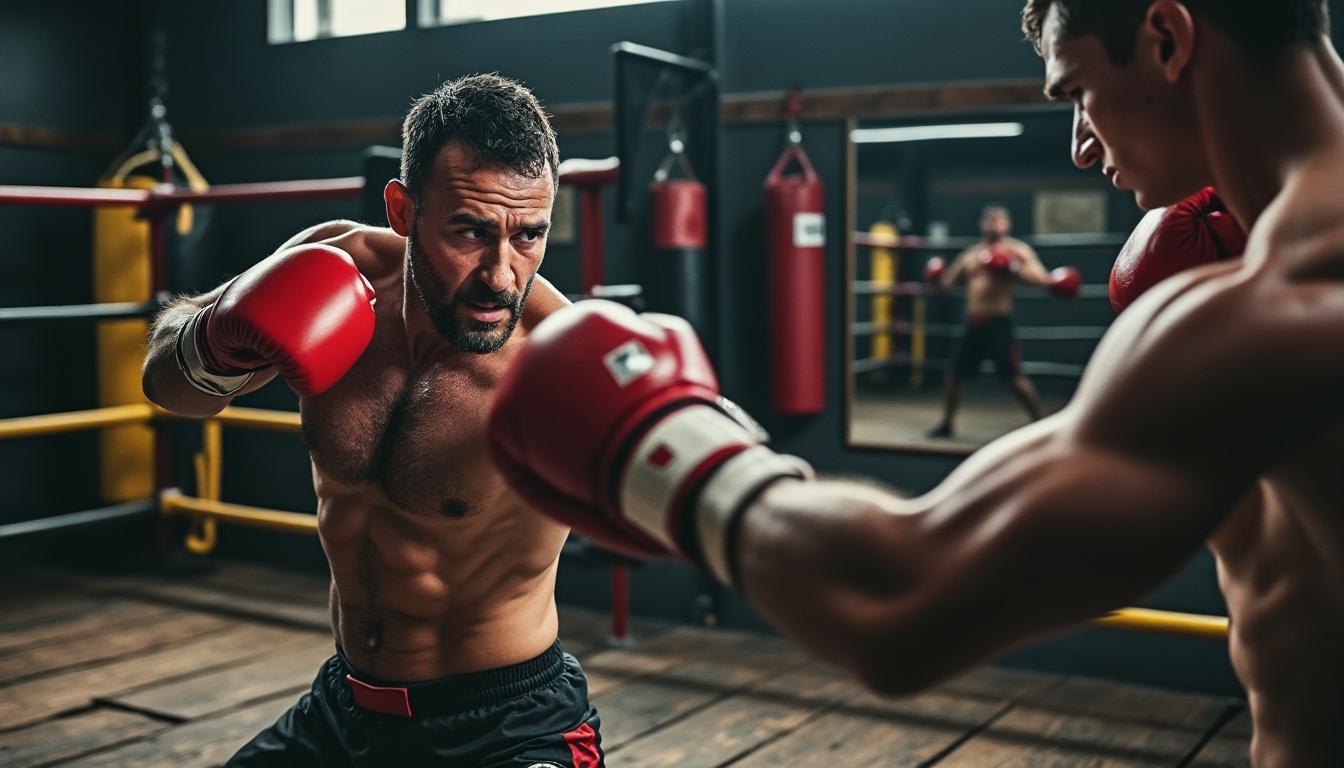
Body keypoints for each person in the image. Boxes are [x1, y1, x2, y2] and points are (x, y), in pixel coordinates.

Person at [488, 1, 1344, 763]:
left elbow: (901, 603)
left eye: (1078, 91)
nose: (1082, 144)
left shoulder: (1286, 306)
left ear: (1166, 38)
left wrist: (661, 449)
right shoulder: (1264, 278)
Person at [142, 74, 603, 767]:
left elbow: (689, 459)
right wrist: (211, 339)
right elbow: (168, 387)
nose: (502, 275)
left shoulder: (560, 357)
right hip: (345, 710)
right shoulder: (337, 261)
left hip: (508, 727)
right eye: (471, 231)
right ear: (402, 209)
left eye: (528, 236)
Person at [925, 205, 1077, 438]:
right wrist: (935, 278)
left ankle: (1040, 424)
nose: (995, 225)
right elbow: (947, 285)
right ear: (982, 224)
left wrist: (1012, 267)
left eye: (1000, 220)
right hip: (973, 323)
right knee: (954, 376)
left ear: (1008, 224)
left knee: (1015, 378)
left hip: (999, 324)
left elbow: (1043, 279)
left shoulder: (1018, 251)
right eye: (990, 220)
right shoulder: (970, 255)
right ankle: (946, 424)